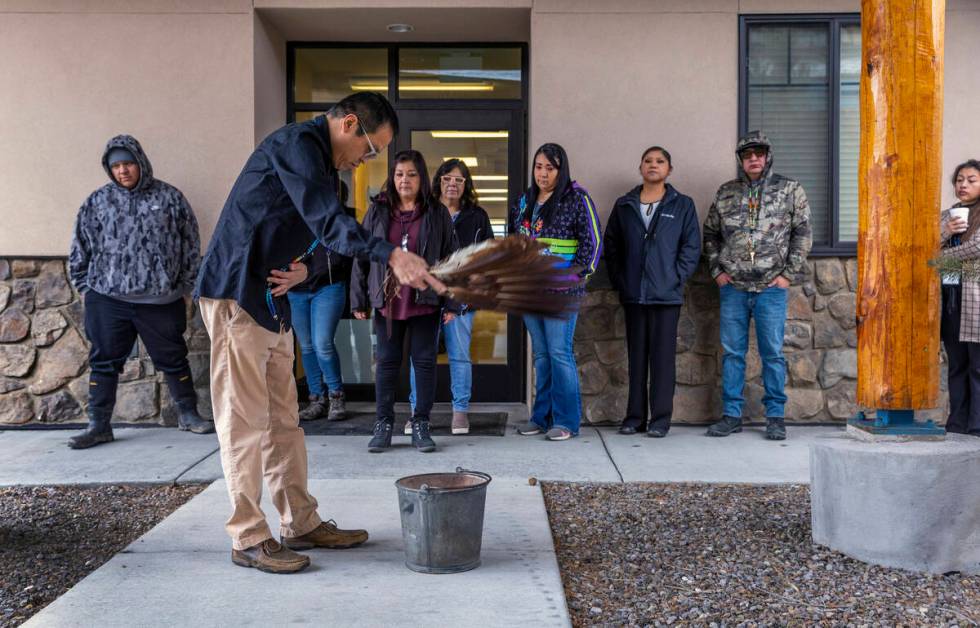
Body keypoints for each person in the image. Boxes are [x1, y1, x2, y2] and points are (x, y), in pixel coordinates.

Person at [195, 92, 441, 574]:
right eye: (370, 150)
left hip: (272, 299)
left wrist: (307, 269)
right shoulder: (297, 146)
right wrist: (392, 254)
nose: (365, 162)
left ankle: (300, 522)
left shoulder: (324, 165)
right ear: (349, 124)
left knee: (284, 419)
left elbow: (319, 232)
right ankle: (248, 537)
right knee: (244, 422)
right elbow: (327, 221)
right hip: (236, 294)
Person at [68, 135, 212, 450]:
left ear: (140, 163)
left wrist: (186, 284)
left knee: (173, 358)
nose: (123, 171)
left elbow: (190, 242)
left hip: (160, 300)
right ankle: (99, 424)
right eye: (116, 166)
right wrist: (85, 287)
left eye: (128, 163)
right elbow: (80, 245)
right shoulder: (97, 201)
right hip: (108, 298)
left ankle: (188, 413)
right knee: (104, 361)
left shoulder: (170, 197)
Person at [702, 130, 812, 441]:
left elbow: (802, 234)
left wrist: (787, 275)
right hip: (733, 286)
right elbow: (710, 233)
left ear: (767, 156)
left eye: (758, 153)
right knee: (733, 353)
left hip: (771, 287)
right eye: (747, 155)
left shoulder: (790, 189)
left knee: (772, 353)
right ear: (740, 160)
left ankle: (775, 416)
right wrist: (717, 272)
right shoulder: (726, 192)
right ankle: (732, 415)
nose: (753, 159)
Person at [351, 150, 459, 454]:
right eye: (399, 174)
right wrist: (359, 297)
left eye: (411, 174)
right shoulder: (378, 211)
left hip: (424, 300)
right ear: (392, 177)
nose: (404, 180)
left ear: (421, 177)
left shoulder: (436, 212)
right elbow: (362, 255)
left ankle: (421, 424)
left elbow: (451, 259)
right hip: (388, 301)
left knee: (424, 363)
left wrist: (452, 302)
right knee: (386, 363)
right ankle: (383, 424)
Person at [604, 146, 701, 437]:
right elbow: (612, 245)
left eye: (660, 161)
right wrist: (622, 281)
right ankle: (635, 417)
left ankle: (660, 420)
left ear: (669, 169)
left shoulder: (682, 205)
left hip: (665, 296)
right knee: (636, 360)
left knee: (662, 361)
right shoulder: (624, 205)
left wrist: (675, 278)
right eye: (648, 161)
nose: (653, 165)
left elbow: (691, 247)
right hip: (634, 295)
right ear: (640, 167)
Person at [512, 143, 602, 441]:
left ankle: (566, 421)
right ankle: (541, 417)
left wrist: (576, 277)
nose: (543, 173)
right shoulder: (525, 201)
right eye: (539, 166)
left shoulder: (576, 198)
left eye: (550, 167)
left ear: (561, 170)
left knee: (559, 353)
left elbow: (593, 242)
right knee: (541, 356)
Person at [406, 158, 495, 436]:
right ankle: (417, 412)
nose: (452, 184)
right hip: (427, 295)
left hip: (461, 296)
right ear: (438, 182)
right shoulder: (425, 212)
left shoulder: (477, 216)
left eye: (458, 180)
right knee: (421, 356)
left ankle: (460, 412)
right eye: (447, 179)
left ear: (466, 185)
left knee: (459, 355)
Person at [290, 181, 356, 422]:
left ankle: (336, 395)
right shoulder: (294, 216)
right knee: (306, 345)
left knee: (322, 343)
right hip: (295, 289)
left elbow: (346, 256)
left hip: (328, 287)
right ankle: (316, 398)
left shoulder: (339, 220)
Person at [938, 159, 980, 436]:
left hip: (975, 301)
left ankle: (976, 425)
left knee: (977, 366)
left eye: (971, 180)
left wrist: (939, 259)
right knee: (956, 365)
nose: (963, 185)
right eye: (959, 180)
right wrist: (945, 231)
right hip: (951, 300)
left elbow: (976, 248)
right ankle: (956, 424)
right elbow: (924, 244)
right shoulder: (948, 214)